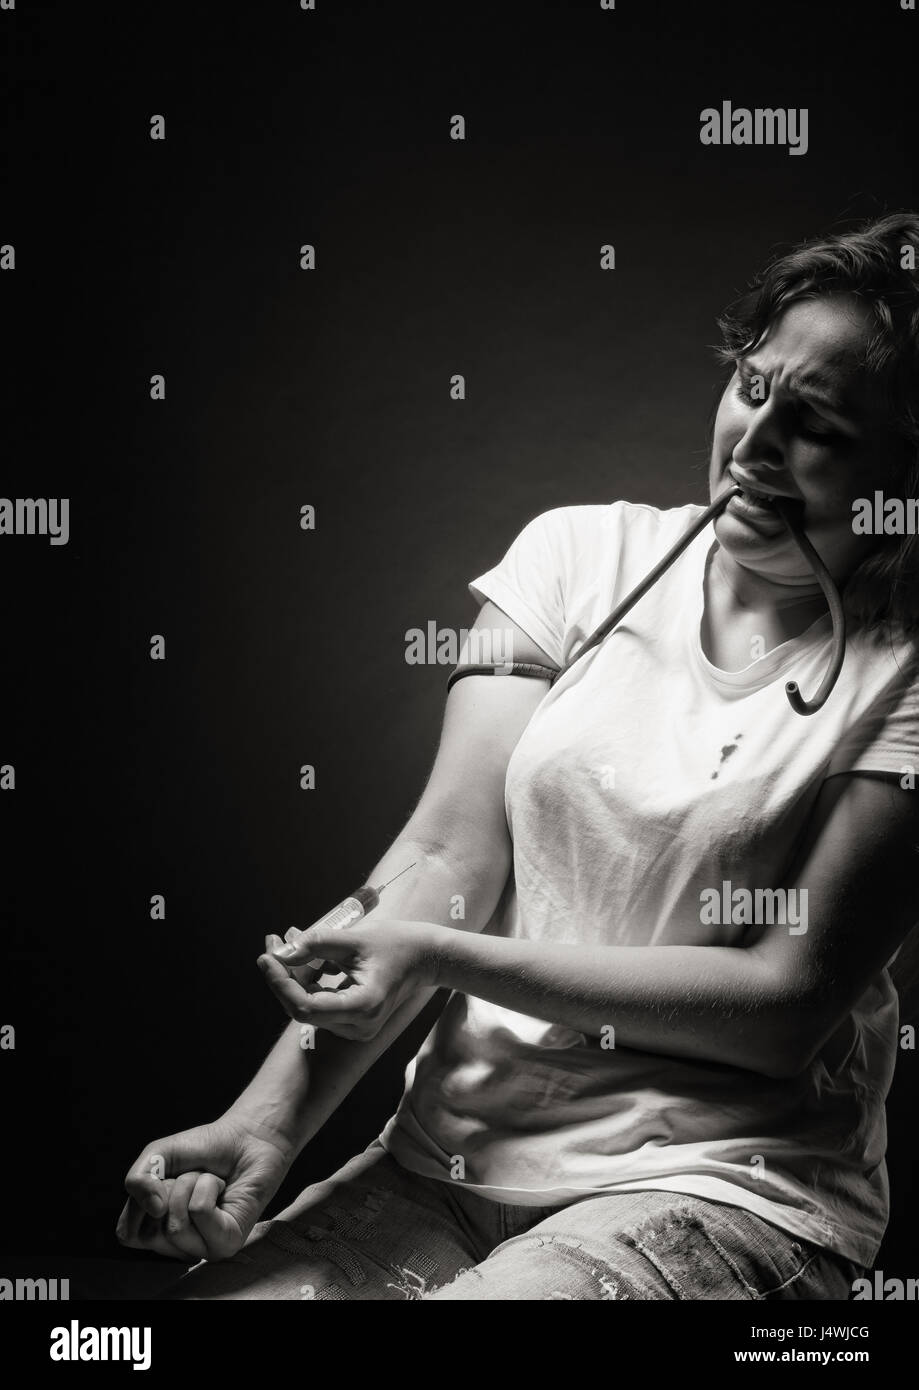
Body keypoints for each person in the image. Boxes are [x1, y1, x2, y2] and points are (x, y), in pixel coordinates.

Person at [118, 212, 919, 1300]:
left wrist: (446, 957)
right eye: (753, 384)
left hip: (721, 1185)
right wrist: (263, 1126)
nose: (755, 444)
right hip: (448, 1156)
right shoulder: (573, 554)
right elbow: (444, 857)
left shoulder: (902, 671)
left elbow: (781, 1007)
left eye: (817, 424)